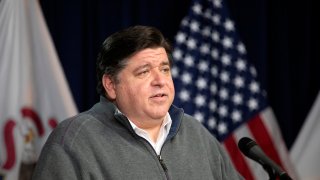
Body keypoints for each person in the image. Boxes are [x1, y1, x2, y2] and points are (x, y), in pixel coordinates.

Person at [32, 25, 243, 180]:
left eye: (165, 69)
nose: (160, 81)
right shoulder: (74, 141)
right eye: (144, 72)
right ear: (111, 85)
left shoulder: (196, 134)